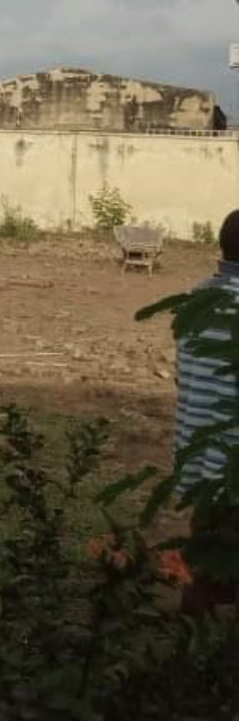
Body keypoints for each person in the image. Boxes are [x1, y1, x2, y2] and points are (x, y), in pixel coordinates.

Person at [174, 208, 239, 614]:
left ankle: (192, 629)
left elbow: (184, 378)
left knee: (205, 562)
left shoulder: (195, 300)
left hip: (199, 463)